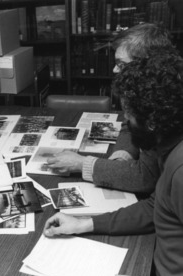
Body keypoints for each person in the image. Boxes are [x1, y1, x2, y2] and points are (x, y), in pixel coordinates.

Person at [43, 48, 183, 276]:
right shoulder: (170, 147)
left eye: (129, 114)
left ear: (154, 120)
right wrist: (85, 223)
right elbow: (158, 206)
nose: (125, 121)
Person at [46, 23, 174, 194]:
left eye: (121, 64)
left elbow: (146, 177)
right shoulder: (140, 88)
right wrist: (122, 155)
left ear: (148, 65)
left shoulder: (168, 102)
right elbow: (130, 126)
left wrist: (81, 164)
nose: (114, 69)